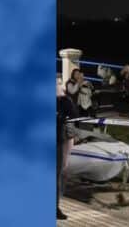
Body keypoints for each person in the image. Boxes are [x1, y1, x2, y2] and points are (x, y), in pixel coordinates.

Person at [56, 80, 80, 220]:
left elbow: (74, 115)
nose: (61, 86)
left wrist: (65, 99)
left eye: (61, 84)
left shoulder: (64, 101)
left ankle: (55, 207)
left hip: (59, 140)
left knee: (58, 174)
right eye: (58, 84)